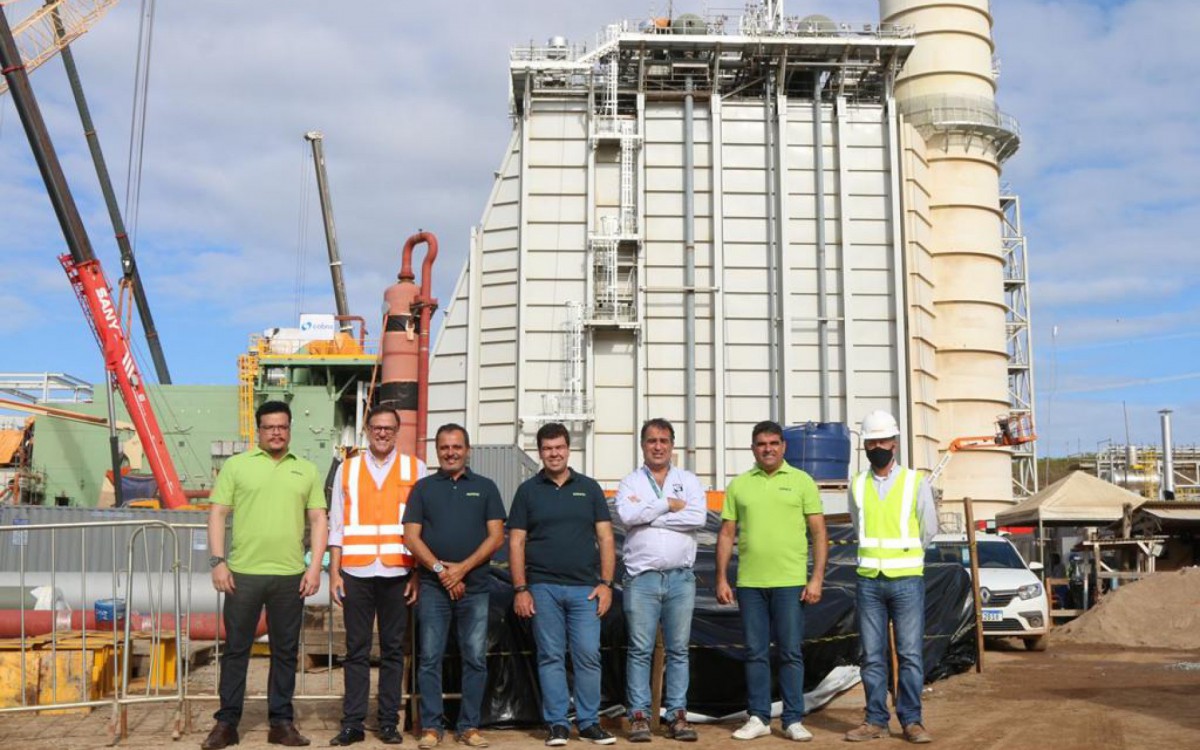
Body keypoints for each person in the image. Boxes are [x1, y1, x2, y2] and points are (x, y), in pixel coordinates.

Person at [203, 401, 328, 749]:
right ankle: (226, 723)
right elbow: (217, 514)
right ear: (258, 430)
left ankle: (281, 723)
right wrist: (217, 561)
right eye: (270, 426)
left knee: (286, 652)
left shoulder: (305, 470)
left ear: (290, 429)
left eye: (282, 426)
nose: (276, 432)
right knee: (236, 650)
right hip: (242, 574)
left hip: (290, 576)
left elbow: (319, 519)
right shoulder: (237, 466)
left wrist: (315, 566)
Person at [715, 420, 827, 743]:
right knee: (755, 652)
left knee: (791, 651)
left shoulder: (802, 482)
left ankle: (792, 719)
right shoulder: (739, 486)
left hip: (791, 583)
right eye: (761, 443)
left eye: (774, 443)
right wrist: (722, 578)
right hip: (750, 584)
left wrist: (816, 578)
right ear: (753, 448)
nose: (768, 449)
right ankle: (759, 717)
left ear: (784, 446)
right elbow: (726, 534)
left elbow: (819, 533)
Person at [508, 422, 617, 747]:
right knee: (550, 656)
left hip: (585, 588)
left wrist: (607, 584)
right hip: (542, 588)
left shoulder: (590, 488)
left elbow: (606, 537)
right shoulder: (527, 491)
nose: (553, 454)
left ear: (568, 449)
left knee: (587, 655)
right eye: (547, 449)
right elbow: (515, 543)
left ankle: (588, 723)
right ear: (540, 452)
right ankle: (557, 724)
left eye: (559, 447)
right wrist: (520, 588)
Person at [403, 424, 507, 749]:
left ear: (468, 449)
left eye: (457, 447)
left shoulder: (486, 487)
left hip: (475, 587)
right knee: (430, 657)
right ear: (437, 451)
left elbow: (496, 536)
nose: (451, 453)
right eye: (445, 447)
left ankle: (469, 726)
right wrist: (440, 570)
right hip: (434, 588)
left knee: (475, 657)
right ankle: (432, 727)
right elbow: (410, 537)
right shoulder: (423, 489)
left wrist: (461, 570)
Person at [325, 405, 423, 747]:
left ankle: (387, 722)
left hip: (398, 570)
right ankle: (352, 723)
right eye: (377, 427)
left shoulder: (416, 469)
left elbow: (421, 528)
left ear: (397, 432)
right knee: (356, 650)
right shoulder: (347, 470)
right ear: (367, 429)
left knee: (394, 650)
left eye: (389, 428)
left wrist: (417, 574)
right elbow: (336, 524)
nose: (382, 433)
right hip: (356, 570)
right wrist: (334, 572)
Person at [844, 410, 937, 744]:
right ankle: (874, 720)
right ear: (865, 446)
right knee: (871, 655)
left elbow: (929, 528)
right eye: (871, 442)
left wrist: (905, 556)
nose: (877, 446)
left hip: (906, 579)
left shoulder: (915, 482)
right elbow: (859, 527)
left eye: (882, 440)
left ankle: (912, 721)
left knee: (910, 654)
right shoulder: (857, 484)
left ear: (894, 443)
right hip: (869, 579)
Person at [614, 418, 706, 743]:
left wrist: (650, 516)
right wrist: (667, 504)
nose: (657, 446)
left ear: (672, 445)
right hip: (642, 579)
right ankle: (639, 715)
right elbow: (627, 517)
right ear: (642, 445)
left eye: (663, 440)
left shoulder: (689, 480)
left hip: (681, 579)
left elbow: (698, 517)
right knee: (639, 649)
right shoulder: (630, 483)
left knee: (678, 650)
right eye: (651, 440)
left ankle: (677, 715)